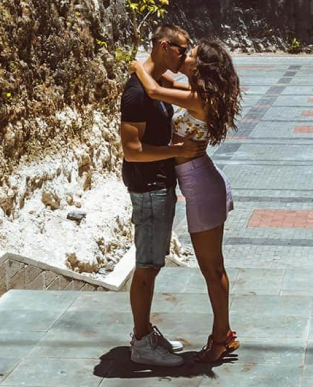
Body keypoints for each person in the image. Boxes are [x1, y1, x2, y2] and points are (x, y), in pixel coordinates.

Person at [131, 39, 242, 364]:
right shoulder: (197, 93)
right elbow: (165, 84)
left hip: (203, 190)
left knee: (212, 269)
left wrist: (137, 64)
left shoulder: (198, 97)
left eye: (191, 54)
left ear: (202, 65)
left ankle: (220, 339)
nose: (186, 54)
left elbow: (153, 90)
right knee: (213, 268)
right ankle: (226, 332)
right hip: (203, 182)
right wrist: (163, 66)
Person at [120, 24, 202, 368]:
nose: (184, 56)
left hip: (159, 185)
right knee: (147, 266)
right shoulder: (136, 94)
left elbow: (177, 88)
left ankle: (145, 333)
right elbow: (132, 151)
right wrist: (176, 150)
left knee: (152, 264)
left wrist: (152, 66)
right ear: (164, 46)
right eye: (181, 50)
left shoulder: (154, 84)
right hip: (149, 186)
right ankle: (141, 342)